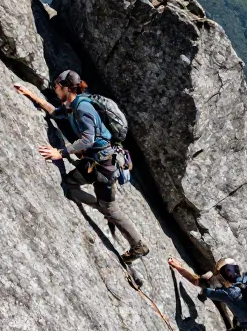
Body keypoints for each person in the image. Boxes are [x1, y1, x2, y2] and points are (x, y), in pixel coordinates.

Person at [15, 71, 149, 263]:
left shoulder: (83, 108)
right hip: (91, 162)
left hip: (104, 166)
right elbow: (54, 113)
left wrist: (60, 153)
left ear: (67, 88)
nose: (55, 88)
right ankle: (101, 207)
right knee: (69, 186)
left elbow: (88, 139)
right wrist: (31, 94)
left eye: (57, 86)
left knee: (110, 208)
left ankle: (138, 245)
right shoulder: (71, 106)